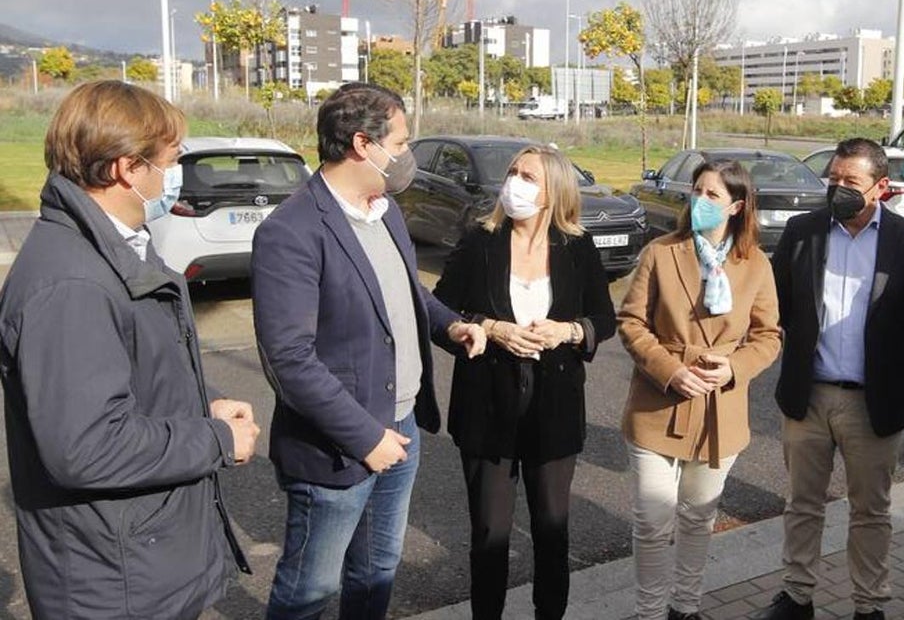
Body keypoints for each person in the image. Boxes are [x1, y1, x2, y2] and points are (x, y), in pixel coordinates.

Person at [0, 80, 258, 618]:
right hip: (116, 583)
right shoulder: (72, 283)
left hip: (142, 564)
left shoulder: (113, 249)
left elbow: (134, 369)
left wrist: (203, 402)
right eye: (170, 159)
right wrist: (215, 438)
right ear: (126, 168)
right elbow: (88, 446)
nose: (175, 173)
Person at [251, 83, 485, 620]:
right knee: (308, 590)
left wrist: (452, 328)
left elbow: (409, 292)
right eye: (400, 143)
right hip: (340, 448)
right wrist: (366, 437)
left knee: (376, 571)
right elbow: (288, 360)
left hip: (401, 428)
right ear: (363, 143)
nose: (406, 156)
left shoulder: (383, 210)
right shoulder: (291, 232)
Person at [756, 138, 904, 620]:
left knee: (871, 511)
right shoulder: (803, 231)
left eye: (850, 182)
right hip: (809, 395)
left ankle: (869, 604)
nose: (837, 189)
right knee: (802, 505)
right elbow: (777, 302)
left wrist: (894, 357)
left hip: (873, 402)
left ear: (881, 187)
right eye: (833, 179)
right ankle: (796, 597)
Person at [432, 145, 617, 619]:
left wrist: (570, 331)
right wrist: (491, 329)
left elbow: (603, 317)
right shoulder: (480, 240)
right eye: (513, 172)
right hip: (486, 408)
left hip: (553, 409)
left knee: (552, 532)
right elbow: (440, 310)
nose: (515, 182)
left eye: (528, 175)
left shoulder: (577, 247)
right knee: (490, 536)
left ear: (554, 189)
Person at [619, 159, 782, 620]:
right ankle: (650, 612)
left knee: (698, 518)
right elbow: (631, 322)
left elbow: (768, 336)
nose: (700, 202)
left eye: (712, 195)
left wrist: (733, 368)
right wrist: (669, 370)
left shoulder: (756, 263)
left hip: (721, 410)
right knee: (653, 521)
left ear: (737, 205)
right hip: (657, 405)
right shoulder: (660, 252)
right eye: (696, 191)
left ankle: (685, 607)